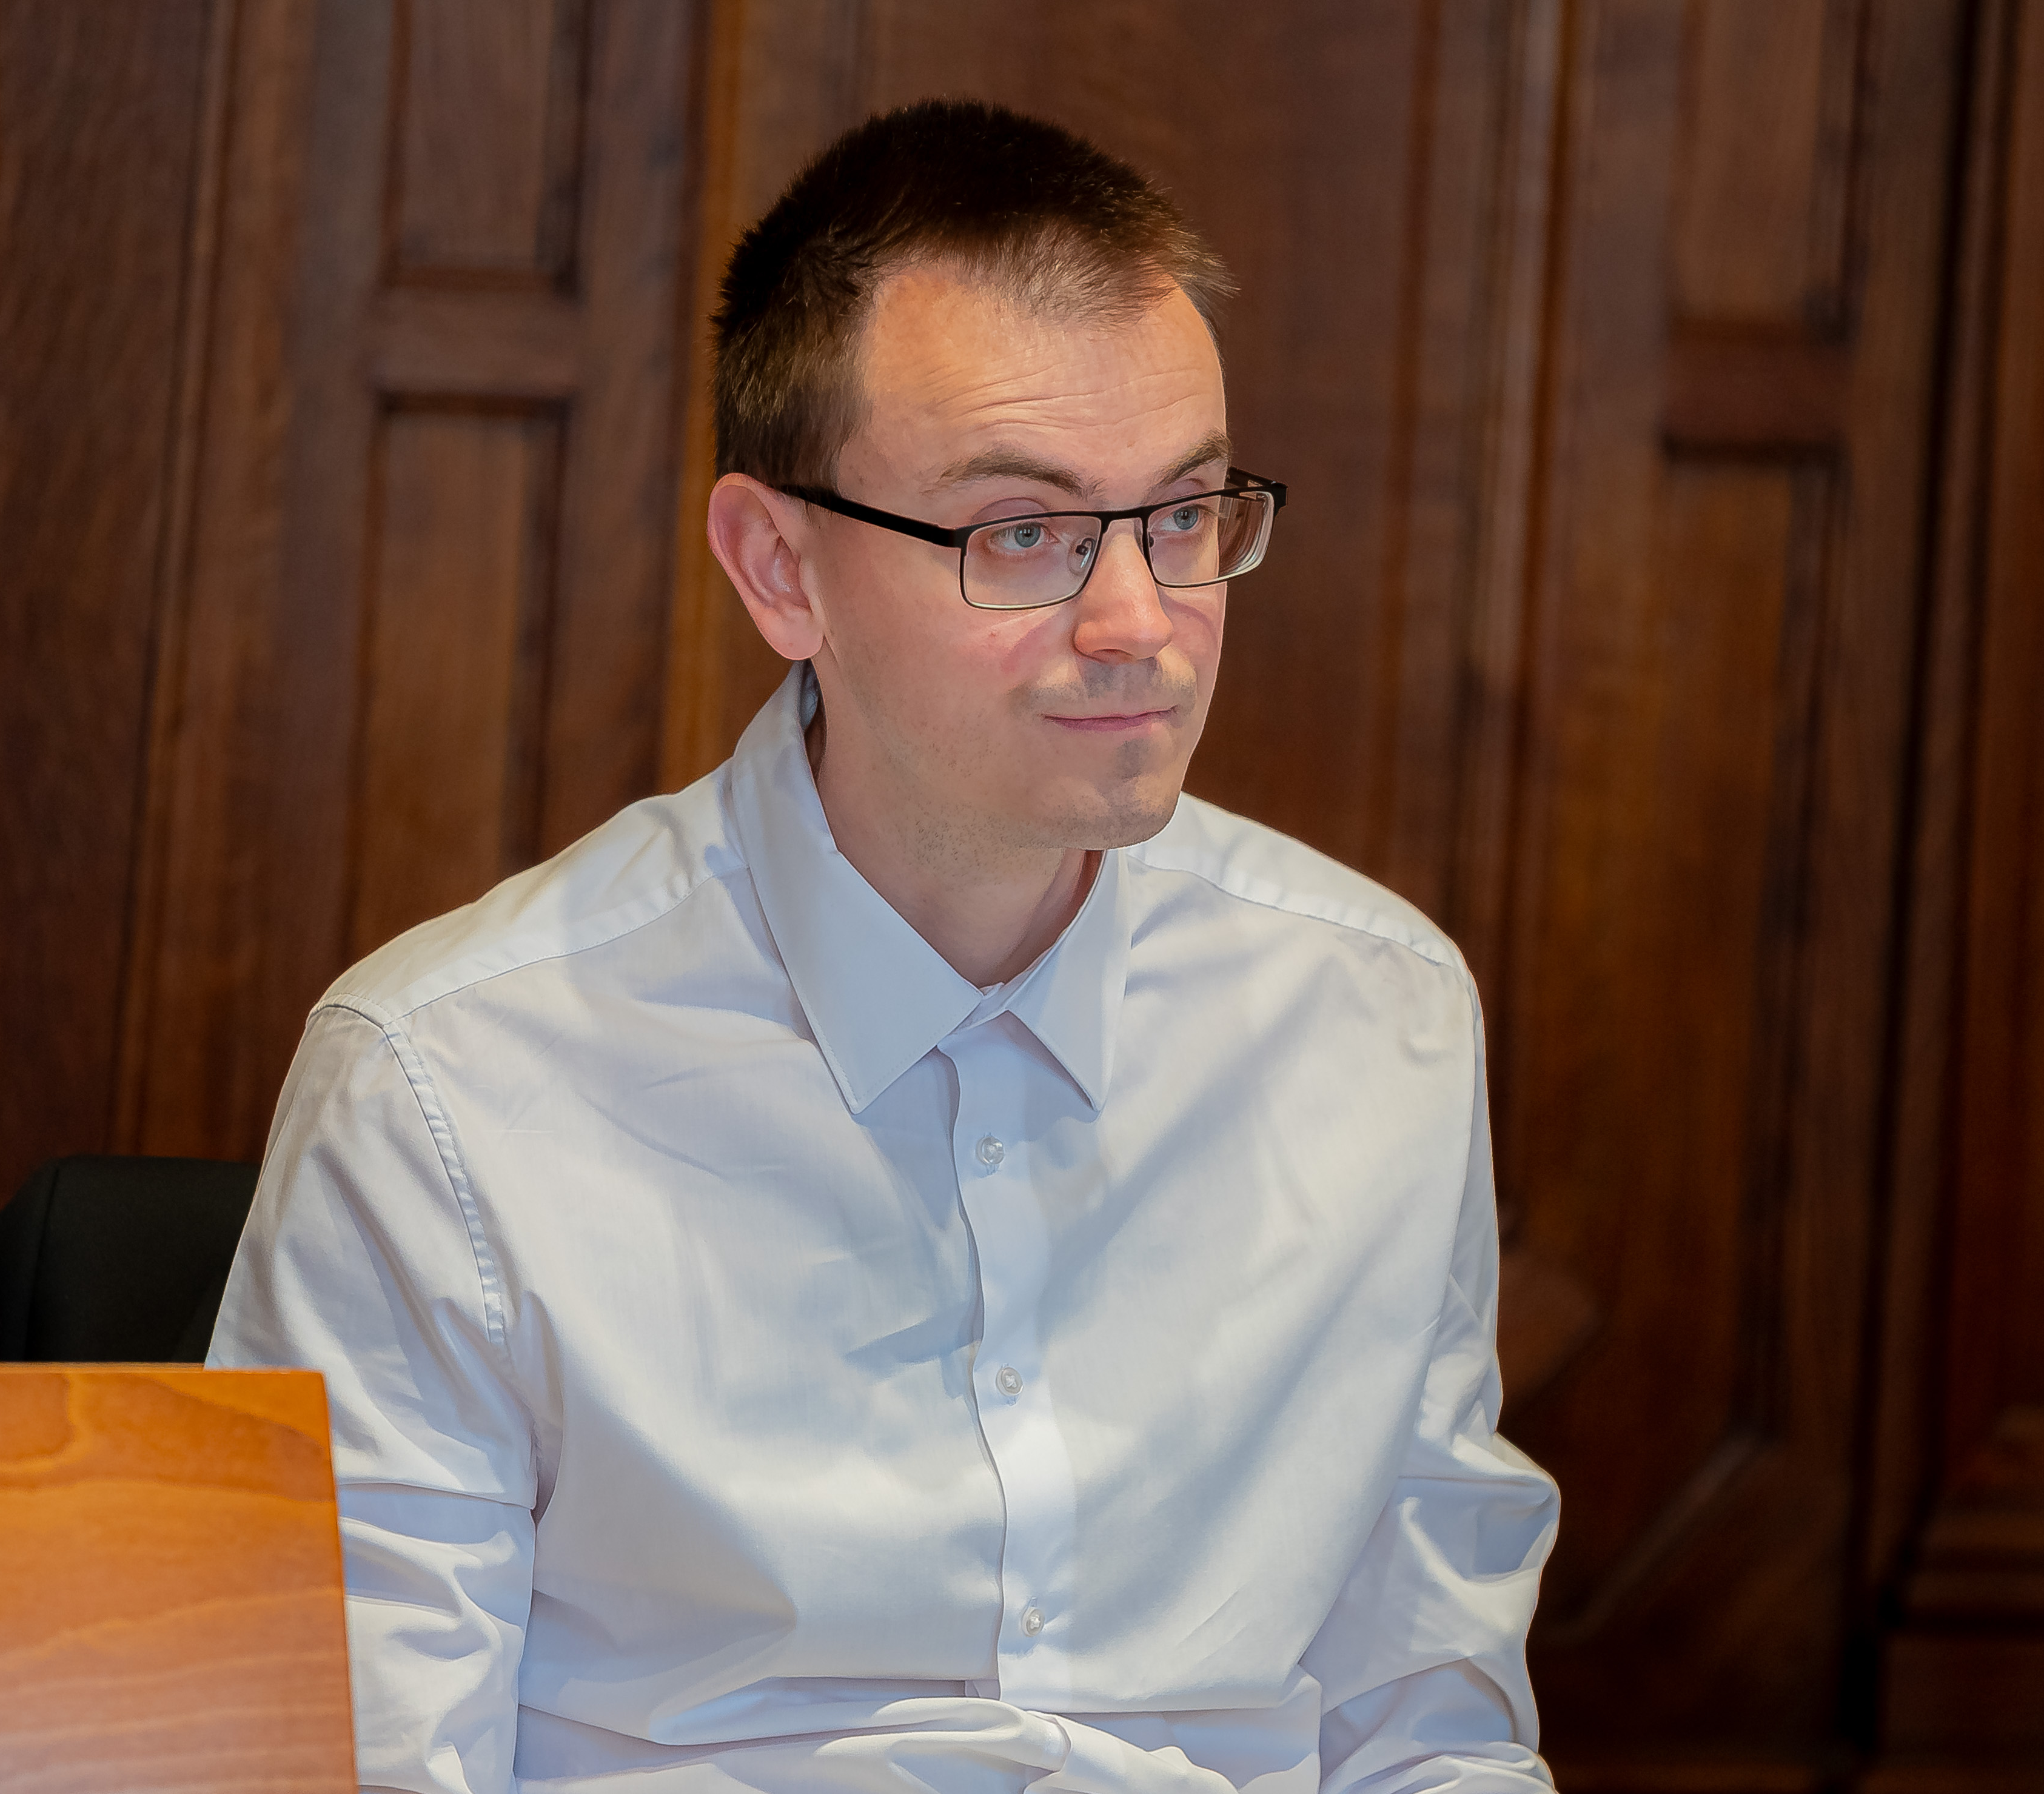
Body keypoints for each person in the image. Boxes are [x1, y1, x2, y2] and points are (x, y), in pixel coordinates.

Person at [211, 99, 1558, 1794]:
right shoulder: (447, 1086)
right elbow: (359, 1767)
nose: (1140, 624)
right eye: (1023, 534)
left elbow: (1425, 1733)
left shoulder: (1377, 1018)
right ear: (780, 568)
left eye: (1186, 515)